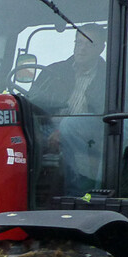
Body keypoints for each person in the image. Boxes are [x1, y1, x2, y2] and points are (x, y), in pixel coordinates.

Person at [29, 23, 108, 194]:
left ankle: (78, 195)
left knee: (69, 126)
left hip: (89, 133)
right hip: (49, 127)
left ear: (101, 48)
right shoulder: (53, 71)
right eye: (78, 43)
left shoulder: (109, 78)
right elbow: (32, 103)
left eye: (89, 44)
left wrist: (63, 132)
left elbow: (104, 115)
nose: (82, 49)